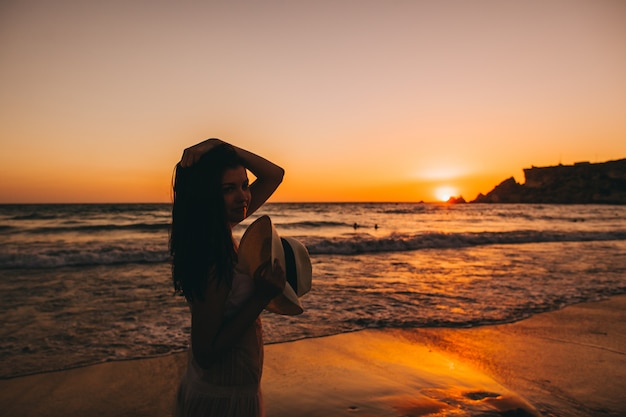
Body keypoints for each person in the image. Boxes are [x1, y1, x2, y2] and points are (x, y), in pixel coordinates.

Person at [170, 138, 286, 417]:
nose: (243, 197)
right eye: (228, 189)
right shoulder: (211, 254)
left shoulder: (222, 227)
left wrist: (222, 146)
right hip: (220, 401)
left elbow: (274, 175)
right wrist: (260, 297)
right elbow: (206, 353)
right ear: (206, 196)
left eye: (245, 185)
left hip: (233, 387)